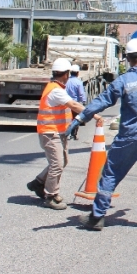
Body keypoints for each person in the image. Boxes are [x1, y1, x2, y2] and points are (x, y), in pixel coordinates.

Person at [67, 38, 137, 231]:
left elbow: (101, 101)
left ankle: (96, 218)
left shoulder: (123, 81)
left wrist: (79, 119)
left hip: (128, 137)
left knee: (110, 174)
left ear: (127, 58)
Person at [26, 58, 101, 210]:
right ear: (66, 74)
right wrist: (94, 115)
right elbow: (73, 104)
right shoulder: (56, 90)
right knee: (57, 164)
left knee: (63, 162)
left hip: (58, 132)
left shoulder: (56, 87)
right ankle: (51, 195)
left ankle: (39, 183)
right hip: (50, 132)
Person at [66, 64, 87, 140]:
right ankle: (74, 134)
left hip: (67, 103)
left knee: (68, 119)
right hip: (75, 103)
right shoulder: (78, 82)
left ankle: (67, 133)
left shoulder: (66, 81)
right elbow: (81, 94)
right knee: (77, 119)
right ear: (78, 73)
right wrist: (83, 101)